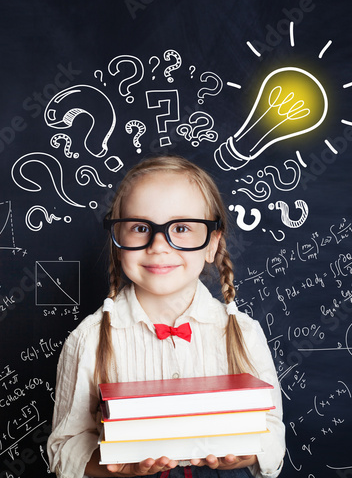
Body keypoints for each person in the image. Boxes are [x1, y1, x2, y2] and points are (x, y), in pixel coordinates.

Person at [47, 155, 285, 478]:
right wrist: (119, 468)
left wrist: (247, 454)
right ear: (119, 243)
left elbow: (272, 431)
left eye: (182, 228)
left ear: (212, 244)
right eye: (141, 228)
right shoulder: (88, 339)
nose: (159, 246)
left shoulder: (244, 333)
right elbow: (64, 449)